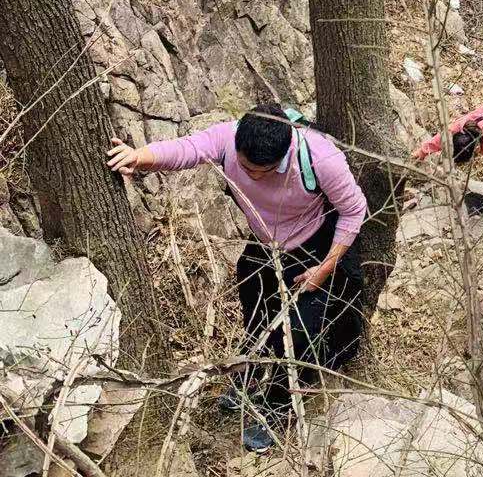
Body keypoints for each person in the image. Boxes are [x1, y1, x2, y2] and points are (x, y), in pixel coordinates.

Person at [107, 103, 368, 453]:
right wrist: (139, 156)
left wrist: (324, 270)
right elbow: (187, 148)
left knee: (300, 331)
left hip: (317, 243)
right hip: (266, 243)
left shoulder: (320, 157)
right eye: (247, 168)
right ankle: (246, 376)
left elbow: (354, 211)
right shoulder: (230, 137)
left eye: (264, 171)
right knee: (256, 312)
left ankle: (276, 406)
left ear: (285, 152)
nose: (254, 177)